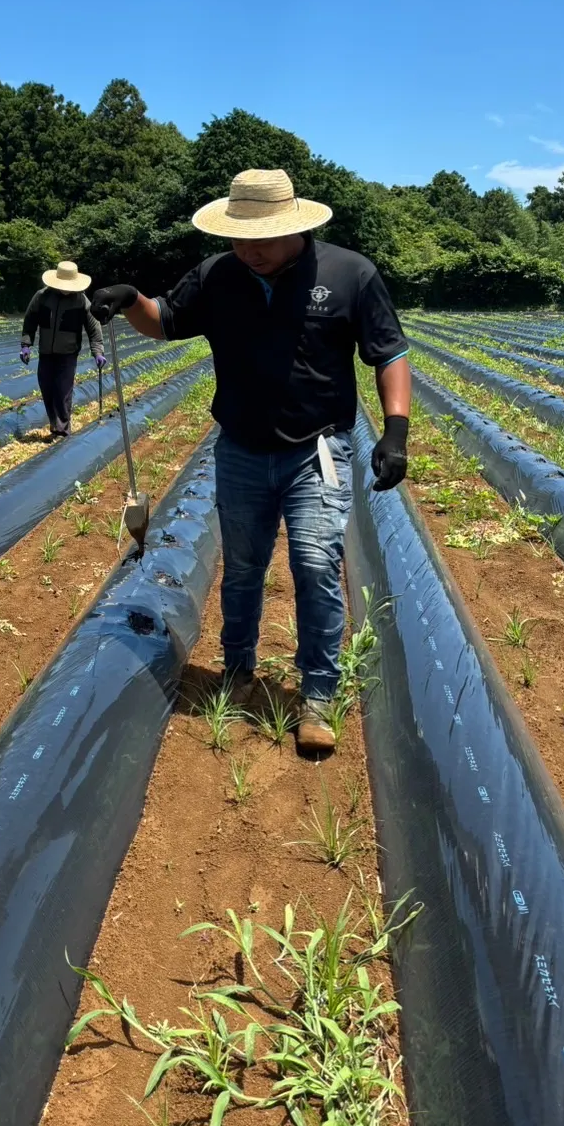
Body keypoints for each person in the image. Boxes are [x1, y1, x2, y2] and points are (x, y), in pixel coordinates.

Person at [91, 169, 411, 755]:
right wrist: (130, 299)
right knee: (242, 566)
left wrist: (395, 430)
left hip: (317, 447)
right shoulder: (219, 275)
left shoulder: (349, 274)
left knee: (315, 565)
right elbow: (165, 321)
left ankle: (317, 693)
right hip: (240, 448)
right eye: (239, 239)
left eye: (260, 240)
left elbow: (388, 353)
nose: (249, 250)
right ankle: (237, 669)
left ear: (294, 228)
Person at [20, 260, 106, 439]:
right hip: (46, 353)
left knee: (63, 391)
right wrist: (26, 345)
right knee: (47, 388)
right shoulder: (42, 297)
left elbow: (93, 327)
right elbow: (30, 319)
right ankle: (55, 424)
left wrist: (98, 352)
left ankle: (62, 430)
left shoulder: (81, 301)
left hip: (68, 354)